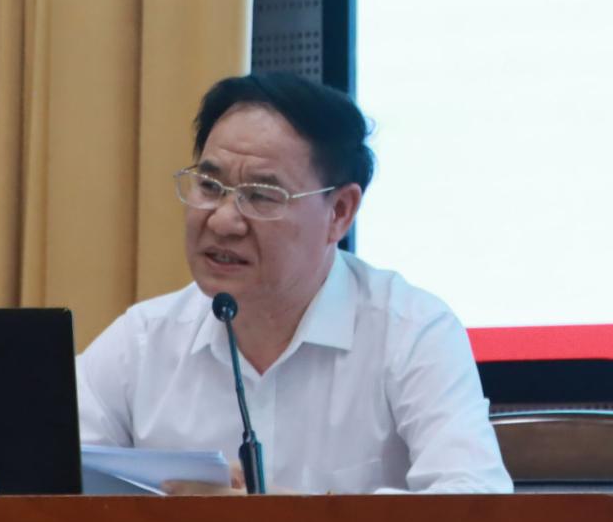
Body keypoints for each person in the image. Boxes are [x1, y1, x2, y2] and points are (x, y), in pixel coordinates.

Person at [76, 71, 512, 494]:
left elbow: (477, 501)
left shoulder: (410, 331)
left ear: (339, 212)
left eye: (261, 196)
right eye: (209, 185)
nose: (223, 221)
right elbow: (50, 482)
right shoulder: (143, 341)